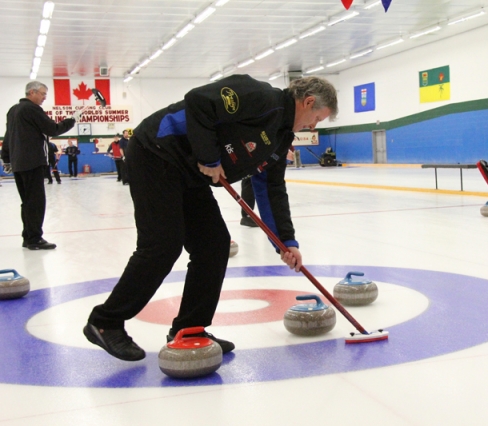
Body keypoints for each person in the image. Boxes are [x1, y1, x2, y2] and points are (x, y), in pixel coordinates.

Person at [83, 74, 338, 362]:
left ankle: (190, 329)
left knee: (214, 245)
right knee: (163, 245)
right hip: (156, 152)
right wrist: (210, 158)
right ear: (308, 102)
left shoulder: (281, 138)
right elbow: (199, 102)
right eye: (317, 118)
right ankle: (105, 321)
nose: (313, 126)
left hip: (189, 172)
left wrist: (285, 242)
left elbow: (271, 187)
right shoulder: (260, 96)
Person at [1, 81, 76, 249]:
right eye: (43, 94)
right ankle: (34, 238)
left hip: (18, 163)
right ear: (32, 92)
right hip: (32, 162)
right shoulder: (32, 109)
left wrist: (5, 158)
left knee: (27, 201)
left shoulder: (13, 111)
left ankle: (28, 236)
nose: (44, 98)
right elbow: (53, 129)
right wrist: (71, 121)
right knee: (35, 201)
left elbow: (8, 137)